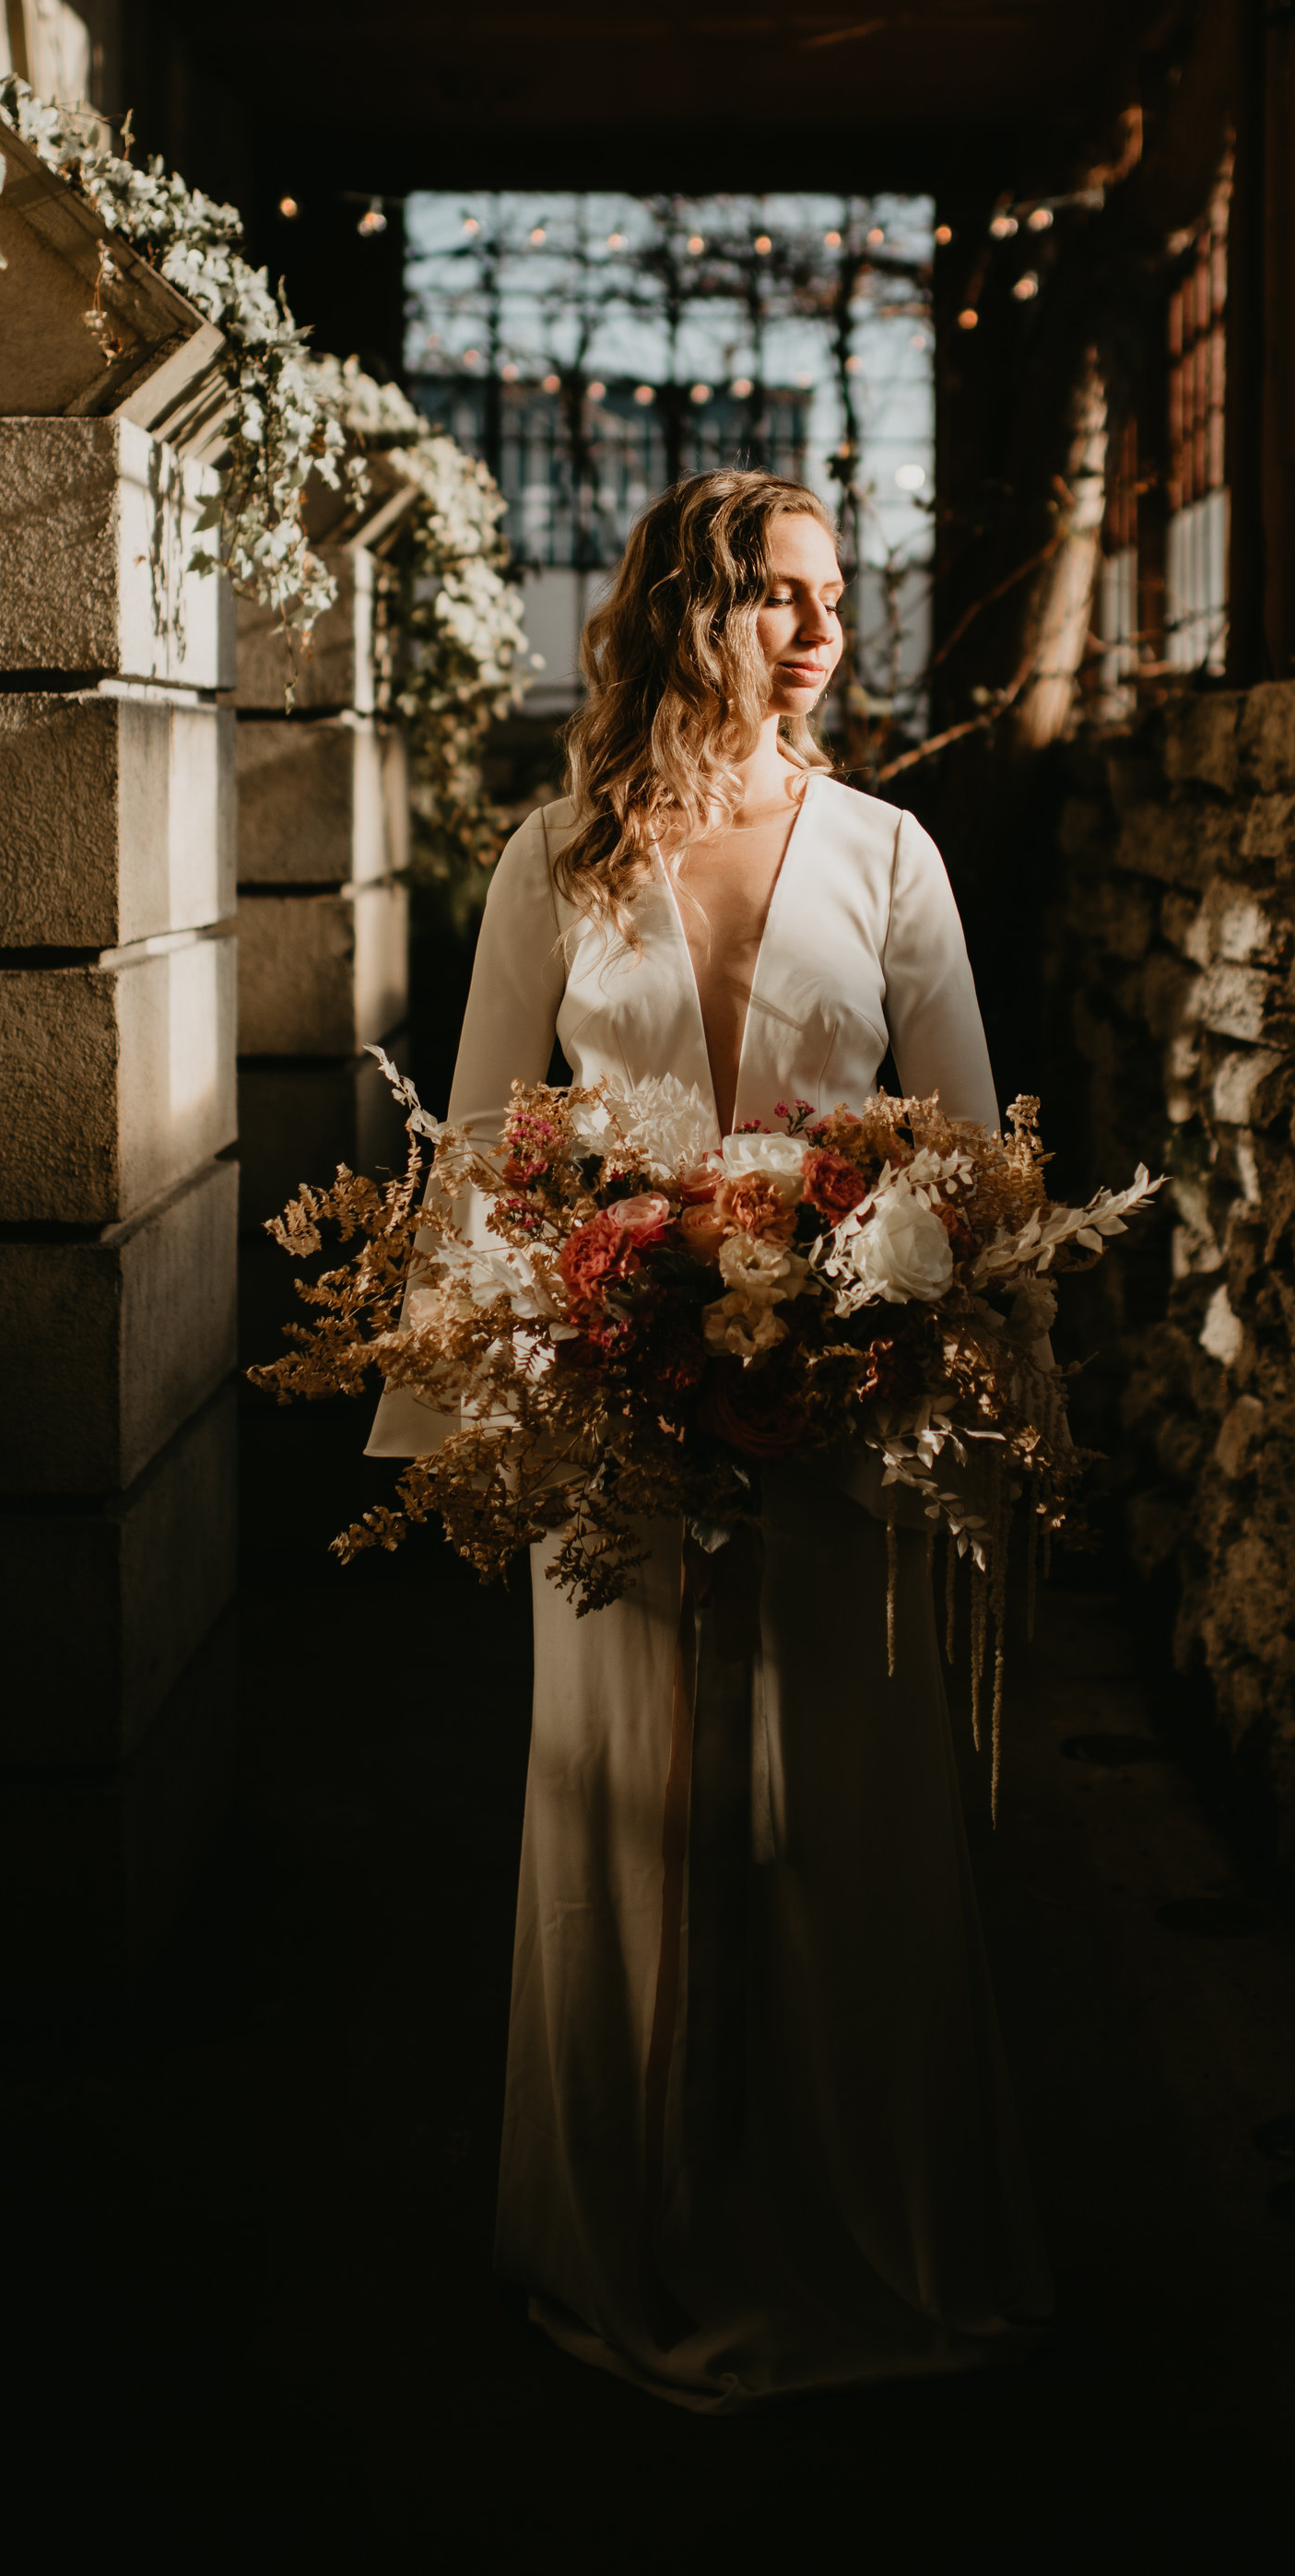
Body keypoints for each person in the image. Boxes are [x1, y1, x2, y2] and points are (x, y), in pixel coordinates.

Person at [370, 469, 1049, 2408]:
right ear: (686, 611)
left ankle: (865, 2228)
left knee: (845, 1829)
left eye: (829, 594)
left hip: (844, 1422)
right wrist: (476, 1442)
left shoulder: (890, 860)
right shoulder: (556, 864)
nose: (815, 629)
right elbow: (490, 1149)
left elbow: (978, 1161)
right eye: (771, 591)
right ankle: (635, 2227)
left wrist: (955, 1380)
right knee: (630, 1827)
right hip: (615, 1425)